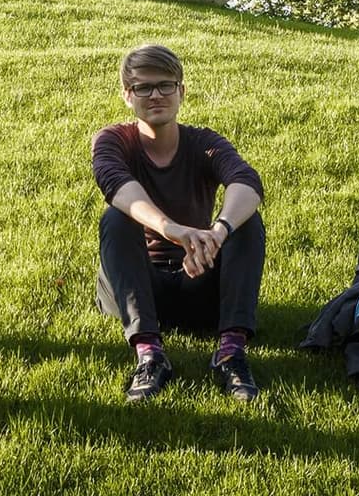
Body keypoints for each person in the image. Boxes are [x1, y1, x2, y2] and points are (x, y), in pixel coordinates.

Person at [91, 44, 266, 403]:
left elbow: (247, 183)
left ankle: (231, 353)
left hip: (196, 280)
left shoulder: (204, 142)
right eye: (143, 87)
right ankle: (149, 354)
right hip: (137, 287)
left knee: (247, 222)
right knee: (116, 217)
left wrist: (218, 233)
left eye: (166, 85)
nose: (156, 95)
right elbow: (118, 188)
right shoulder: (112, 141)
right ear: (128, 95)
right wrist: (173, 229)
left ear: (181, 91)